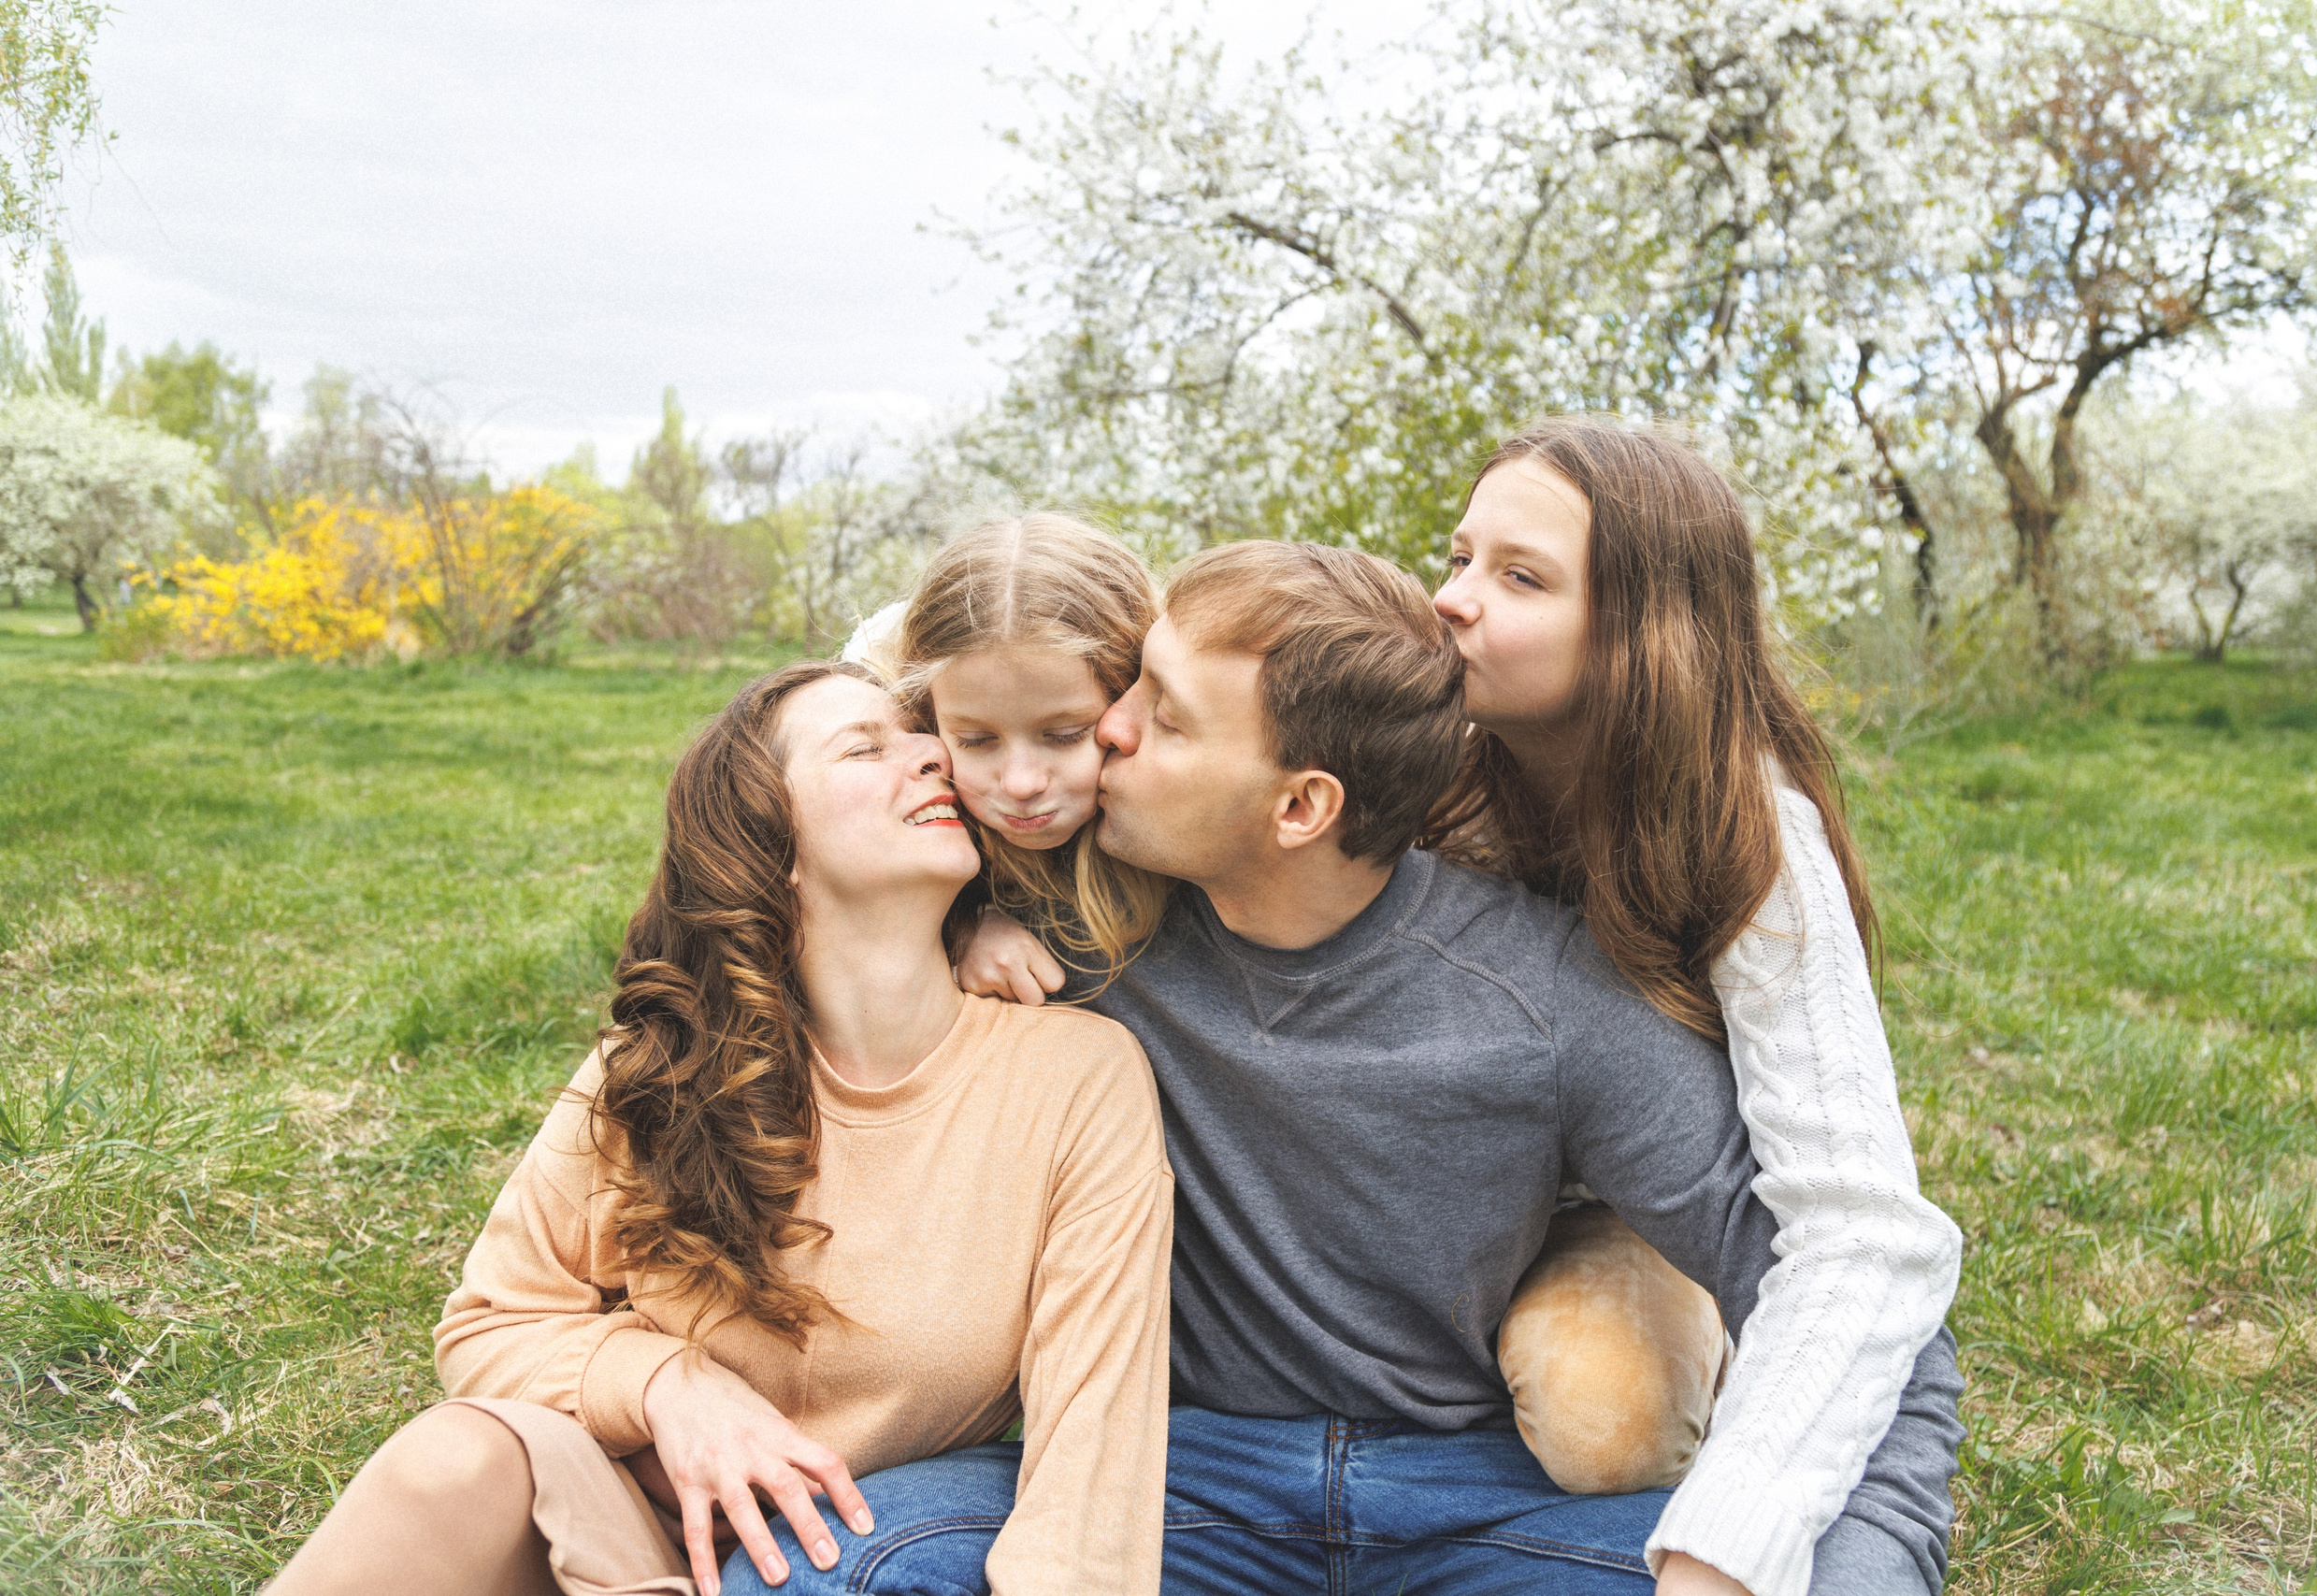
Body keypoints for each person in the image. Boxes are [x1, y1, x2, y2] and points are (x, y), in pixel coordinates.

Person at [834, 540, 1964, 1596]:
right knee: (827, 1558)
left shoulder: (1551, 999)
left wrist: (1861, 1566)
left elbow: (1854, 1301)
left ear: (1301, 805)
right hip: (1169, 1479)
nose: (1108, 733)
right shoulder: (1062, 933)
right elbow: (865, 738)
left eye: (1161, 716)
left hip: (1474, 1497)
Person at [268, 661, 1173, 1596]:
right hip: (615, 1525)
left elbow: (1090, 1452)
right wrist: (670, 1386)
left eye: (923, 736)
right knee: (454, 1458)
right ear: (771, 844)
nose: (934, 756)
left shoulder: (1077, 1078)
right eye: (866, 746)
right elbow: (490, 1326)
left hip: (851, 1562)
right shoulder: (664, 1066)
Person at [1424, 414, 1964, 1591]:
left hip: (1642, 1201)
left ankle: (1720, 1362)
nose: (1452, 599)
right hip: (1455, 1199)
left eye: (1518, 577)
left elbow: (1857, 1218)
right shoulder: (1432, 771)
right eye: (1457, 555)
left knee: (1600, 1415)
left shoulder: (1747, 834)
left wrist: (1735, 1541)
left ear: (1636, 634)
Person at [881, 512, 1171, 994]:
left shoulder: (1194, 839)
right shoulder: (923, 836)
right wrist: (956, 931)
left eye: (1065, 735)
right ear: (929, 718)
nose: (1021, 784)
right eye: (975, 741)